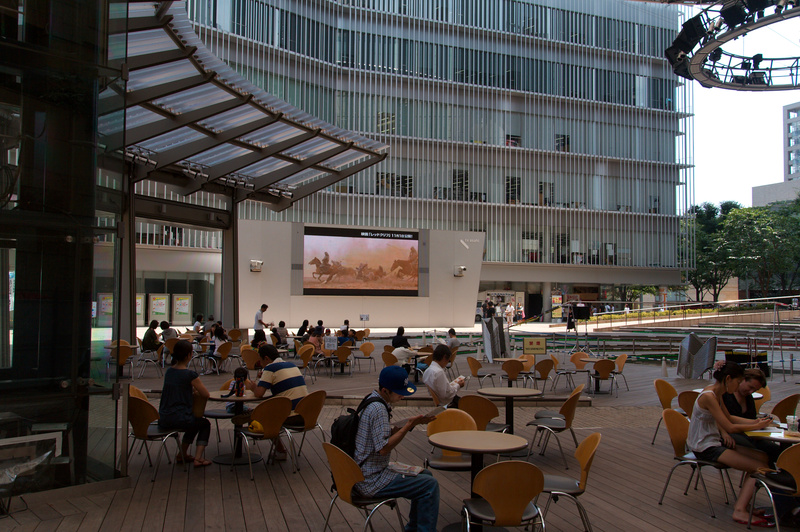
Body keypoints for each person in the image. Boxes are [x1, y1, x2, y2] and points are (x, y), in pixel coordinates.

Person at [687, 361, 774, 527]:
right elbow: (729, 427)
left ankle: (744, 504)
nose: (738, 385)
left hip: (713, 442)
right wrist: (755, 426)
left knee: (763, 458)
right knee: (759, 467)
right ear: (728, 379)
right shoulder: (709, 396)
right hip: (705, 447)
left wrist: (757, 422)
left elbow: (730, 418)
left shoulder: (716, 393)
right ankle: (740, 510)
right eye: (738, 381)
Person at [354, 366, 439, 532]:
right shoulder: (379, 409)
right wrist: (407, 426)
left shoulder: (371, 399)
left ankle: (414, 528)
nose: (402, 396)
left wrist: (411, 424)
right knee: (429, 485)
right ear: (385, 391)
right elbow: (383, 449)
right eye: (399, 392)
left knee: (426, 476)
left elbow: (379, 437)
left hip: (363, 471)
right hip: (371, 479)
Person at [157, 339, 212, 467]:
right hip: (180, 418)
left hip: (164, 417)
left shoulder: (169, 372)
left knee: (193, 422)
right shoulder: (190, 375)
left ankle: (182, 454)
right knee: (203, 424)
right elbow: (205, 394)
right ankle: (198, 458)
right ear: (188, 355)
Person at [722, 368, 782, 465]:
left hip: (748, 435)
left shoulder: (748, 397)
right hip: (731, 436)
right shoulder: (725, 395)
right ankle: (768, 472)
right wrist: (756, 423)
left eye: (755, 390)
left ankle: (776, 472)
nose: (751, 391)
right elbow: (726, 419)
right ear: (742, 379)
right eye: (750, 387)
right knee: (763, 453)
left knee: (780, 452)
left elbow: (751, 419)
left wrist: (760, 423)